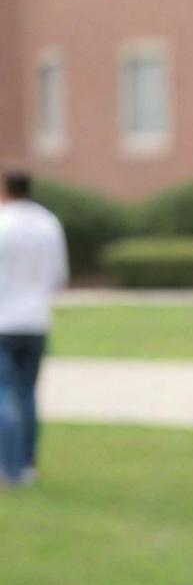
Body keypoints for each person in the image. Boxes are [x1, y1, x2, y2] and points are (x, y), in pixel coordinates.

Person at [0, 171, 69, 486]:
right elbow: (58, 275)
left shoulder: (3, 223)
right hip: (36, 320)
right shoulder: (47, 223)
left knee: (5, 394)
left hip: (4, 322)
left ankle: (9, 466)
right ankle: (27, 463)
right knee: (27, 394)